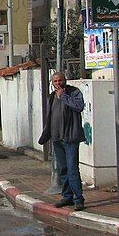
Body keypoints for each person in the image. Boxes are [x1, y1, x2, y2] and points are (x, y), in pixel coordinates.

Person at [38, 72, 86, 211]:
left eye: (60, 80)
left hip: (70, 137)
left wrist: (64, 97)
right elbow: (50, 117)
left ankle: (78, 199)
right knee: (63, 169)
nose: (58, 83)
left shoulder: (73, 93)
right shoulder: (52, 97)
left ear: (64, 81)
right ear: (52, 83)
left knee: (72, 169)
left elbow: (78, 107)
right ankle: (67, 197)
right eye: (55, 81)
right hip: (57, 138)